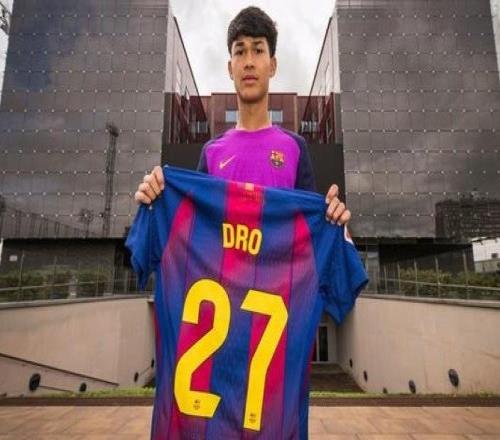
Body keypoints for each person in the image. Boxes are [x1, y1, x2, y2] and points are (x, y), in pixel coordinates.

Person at [134, 6, 351, 227]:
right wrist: (157, 201)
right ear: (230, 68)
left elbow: (310, 229)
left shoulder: (295, 148)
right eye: (240, 51)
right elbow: (194, 228)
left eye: (258, 50)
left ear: (273, 65)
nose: (249, 62)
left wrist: (331, 220)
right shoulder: (211, 153)